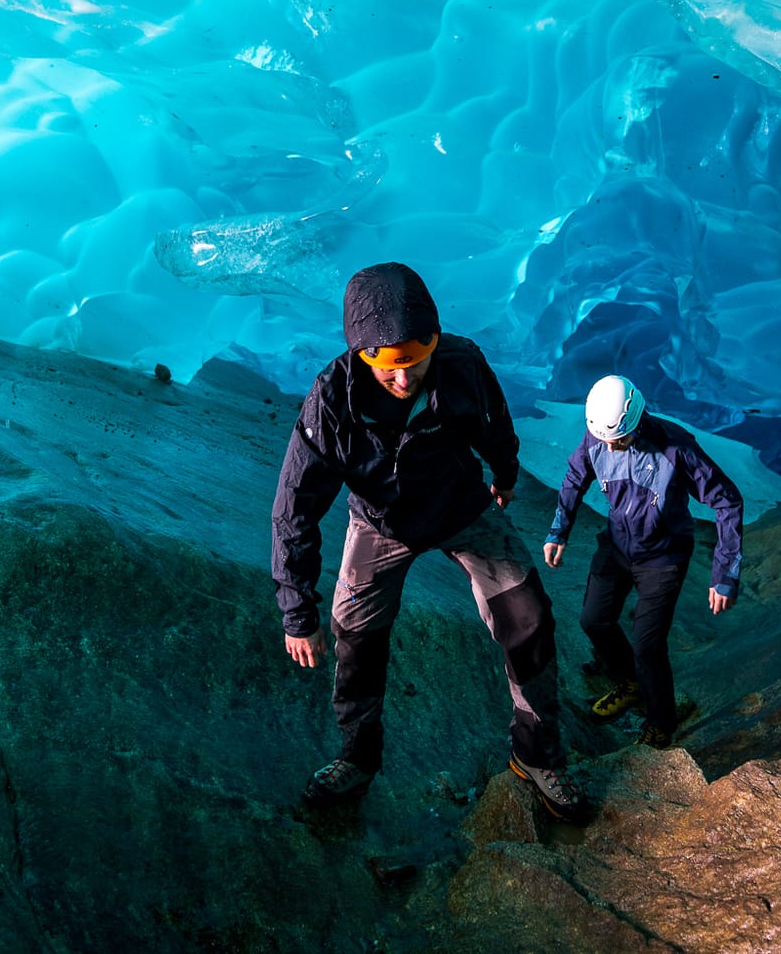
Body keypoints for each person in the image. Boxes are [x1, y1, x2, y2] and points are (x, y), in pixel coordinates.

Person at [271, 262, 588, 823]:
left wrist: (505, 471)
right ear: (363, 354)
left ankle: (536, 755)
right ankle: (358, 758)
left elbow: (492, 420)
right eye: (390, 369)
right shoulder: (332, 402)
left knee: (530, 617)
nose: (403, 379)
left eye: (414, 365)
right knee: (355, 638)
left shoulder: (460, 363)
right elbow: (295, 506)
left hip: (461, 507)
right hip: (380, 524)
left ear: (432, 346)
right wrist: (298, 610)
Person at [542, 375, 745, 748]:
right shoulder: (598, 435)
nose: (609, 446)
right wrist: (559, 531)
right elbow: (575, 476)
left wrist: (725, 573)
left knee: (648, 646)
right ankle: (629, 682)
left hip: (663, 557)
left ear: (634, 419)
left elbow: (727, 501)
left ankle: (661, 721)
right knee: (593, 620)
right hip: (618, 545)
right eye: (604, 440)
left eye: (617, 439)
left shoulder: (676, 448)